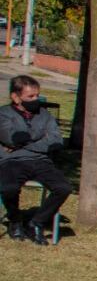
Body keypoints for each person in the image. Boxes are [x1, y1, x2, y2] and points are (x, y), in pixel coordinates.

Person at [0, 75, 71, 244]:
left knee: (63, 187)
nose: (35, 99)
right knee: (8, 188)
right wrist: (39, 138)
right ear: (16, 97)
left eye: (37, 95)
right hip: (12, 160)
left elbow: (56, 141)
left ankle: (36, 222)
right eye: (30, 96)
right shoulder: (4, 114)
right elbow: (12, 138)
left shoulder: (45, 115)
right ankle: (15, 220)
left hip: (41, 161)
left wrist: (24, 143)